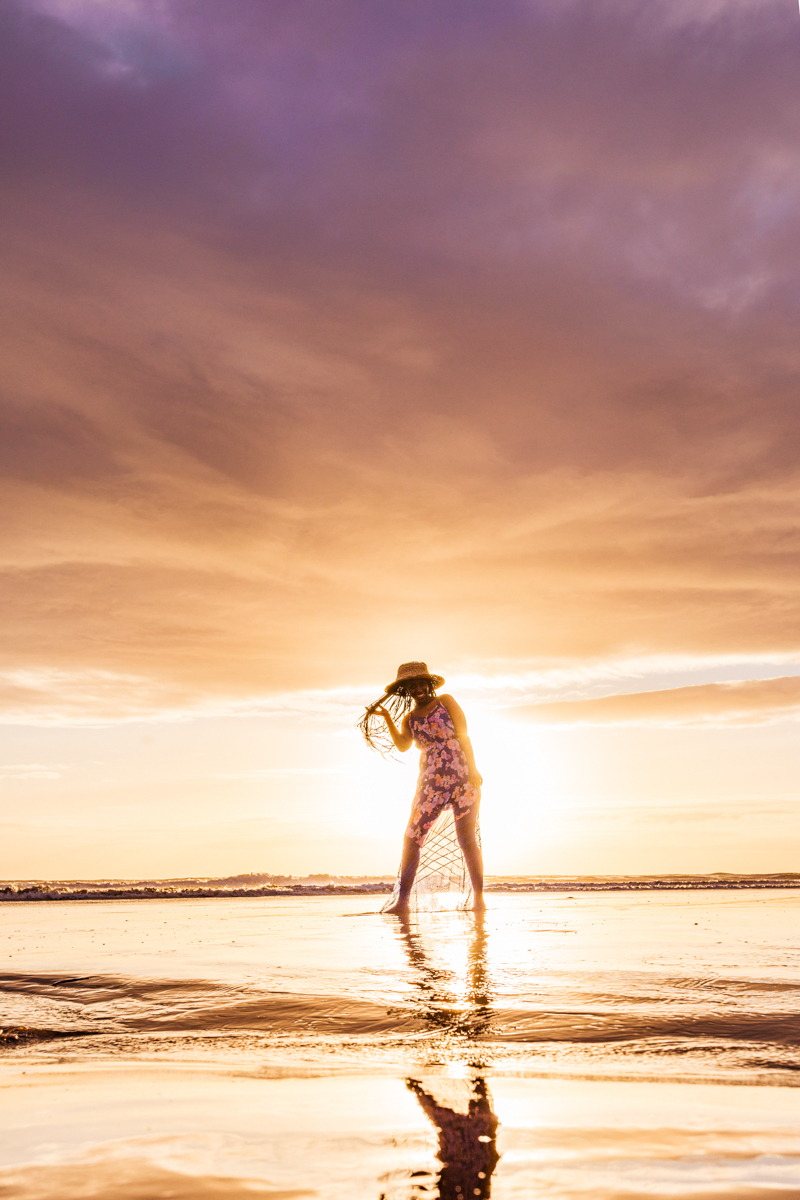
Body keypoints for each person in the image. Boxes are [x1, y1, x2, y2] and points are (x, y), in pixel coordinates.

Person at [359, 661, 485, 913]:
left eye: (420, 683)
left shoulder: (446, 701)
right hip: (430, 780)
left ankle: (479, 899)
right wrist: (387, 719)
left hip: (461, 774)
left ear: (429, 684)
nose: (417, 688)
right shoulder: (409, 718)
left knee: (466, 838)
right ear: (406, 690)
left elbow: (463, 735)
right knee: (413, 837)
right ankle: (402, 901)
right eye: (411, 685)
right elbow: (403, 745)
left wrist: (473, 769)